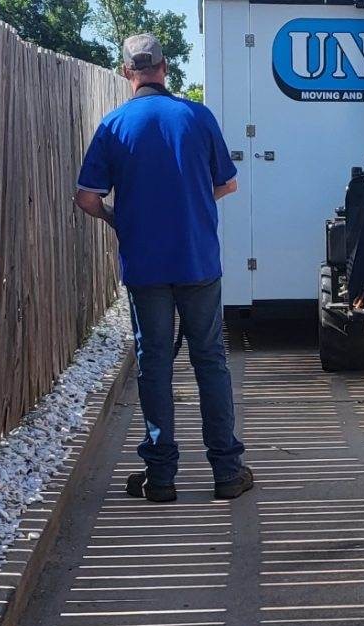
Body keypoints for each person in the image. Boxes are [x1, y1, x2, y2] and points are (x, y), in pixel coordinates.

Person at [74, 33, 253, 503]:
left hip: (145, 263)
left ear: (125, 71)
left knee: (154, 364)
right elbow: (228, 184)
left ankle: (161, 477)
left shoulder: (113, 126)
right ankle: (227, 473)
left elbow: (87, 198)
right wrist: (193, 203)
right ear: (165, 66)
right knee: (210, 360)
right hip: (197, 260)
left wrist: (122, 219)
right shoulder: (197, 116)